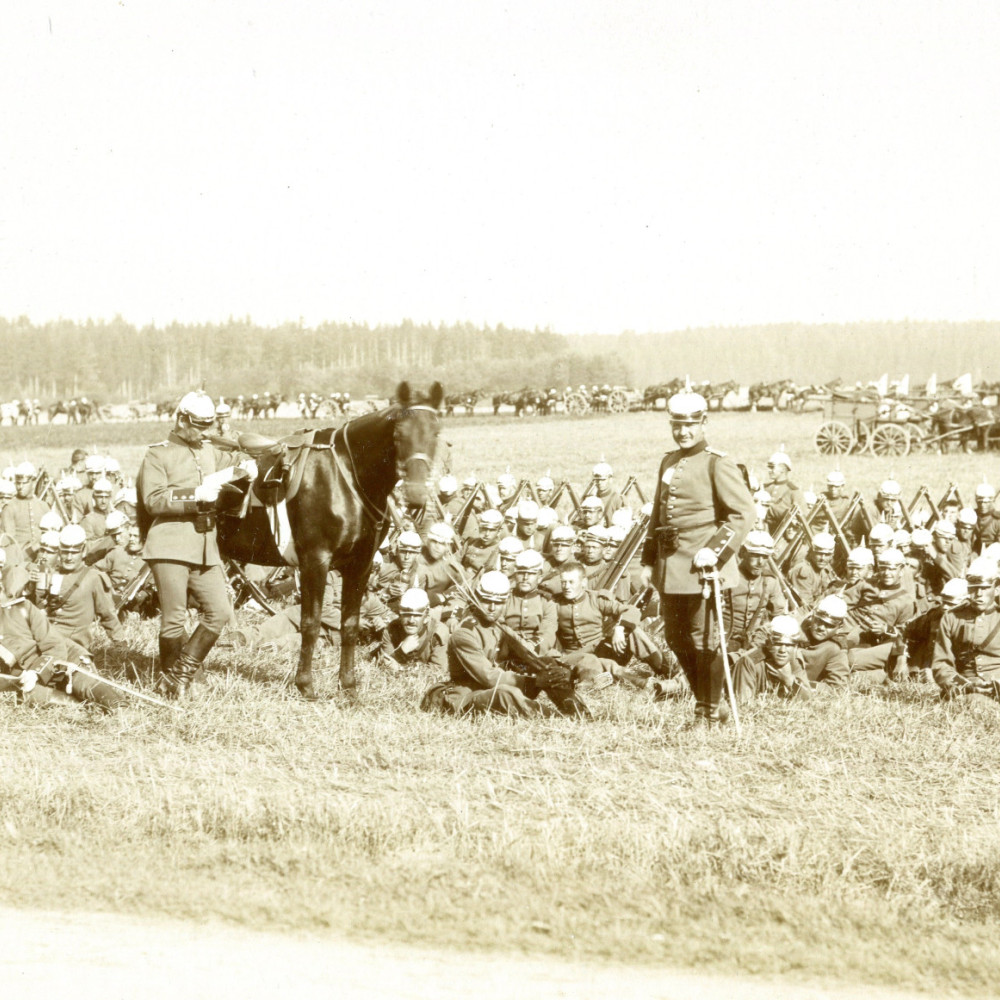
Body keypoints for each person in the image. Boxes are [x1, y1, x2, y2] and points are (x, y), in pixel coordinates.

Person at [640, 390, 757, 723]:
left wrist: (715, 551)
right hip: (670, 567)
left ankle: (705, 711)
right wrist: (648, 561)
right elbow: (658, 516)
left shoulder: (718, 462)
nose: (683, 431)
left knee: (704, 639)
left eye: (690, 424)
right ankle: (709, 700)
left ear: (704, 422)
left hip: (704, 567)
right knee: (674, 637)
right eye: (677, 424)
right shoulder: (668, 461)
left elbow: (743, 513)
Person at [136, 389, 243, 698]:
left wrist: (246, 465)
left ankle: (181, 673)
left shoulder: (207, 449)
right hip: (169, 544)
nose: (202, 431)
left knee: (219, 612)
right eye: (197, 425)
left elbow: (233, 459)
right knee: (174, 618)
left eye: (207, 425)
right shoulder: (158, 453)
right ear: (181, 419)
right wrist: (193, 495)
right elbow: (153, 500)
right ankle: (171, 683)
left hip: (205, 546)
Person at [420, 571, 581, 718]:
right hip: (467, 697)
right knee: (506, 693)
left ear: (505, 603)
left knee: (547, 666)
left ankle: (578, 713)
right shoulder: (464, 633)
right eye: (486, 601)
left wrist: (553, 671)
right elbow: (489, 678)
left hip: (491, 690)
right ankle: (557, 719)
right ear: (476, 600)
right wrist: (536, 681)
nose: (492, 608)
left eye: (498, 603)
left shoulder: (500, 628)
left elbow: (529, 654)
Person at [29, 524, 125, 654]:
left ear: (83, 551)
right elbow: (37, 609)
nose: (69, 558)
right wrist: (32, 586)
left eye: (74, 553)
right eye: (65, 552)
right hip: (45, 640)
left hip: (73, 647)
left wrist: (120, 645)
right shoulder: (51, 574)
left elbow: (108, 615)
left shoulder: (93, 578)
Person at [932, 557, 1000, 704]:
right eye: (973, 588)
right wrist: (967, 686)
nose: (979, 594)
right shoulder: (952, 617)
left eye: (985, 588)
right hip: (968, 689)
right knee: (976, 704)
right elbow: (941, 664)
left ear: (997, 588)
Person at [725, 530, 786, 655]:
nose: (760, 562)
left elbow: (778, 616)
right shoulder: (727, 577)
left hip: (754, 643)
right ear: (743, 552)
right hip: (724, 641)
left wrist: (762, 637)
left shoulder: (770, 581)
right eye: (755, 555)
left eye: (765, 557)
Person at [731, 615, 813, 704]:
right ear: (768, 644)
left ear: (795, 647)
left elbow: (808, 699)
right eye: (777, 644)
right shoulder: (750, 662)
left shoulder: (794, 660)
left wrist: (789, 680)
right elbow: (743, 704)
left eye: (789, 645)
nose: (783, 650)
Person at [377, 588, 449, 674]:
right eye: (406, 615)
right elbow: (384, 666)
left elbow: (438, 671)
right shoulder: (391, 630)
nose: (411, 620)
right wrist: (401, 652)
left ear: (426, 617)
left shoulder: (438, 633)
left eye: (417, 616)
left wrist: (402, 669)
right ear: (400, 616)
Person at [0, 462, 50, 549]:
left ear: (33, 482)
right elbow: (9, 541)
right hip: (19, 557)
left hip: (43, 553)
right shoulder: (9, 508)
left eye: (24, 483)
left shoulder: (44, 506)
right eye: (18, 483)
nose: (20, 487)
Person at [787, 532, 840, 607]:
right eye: (819, 554)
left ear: (832, 555)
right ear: (811, 553)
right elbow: (806, 606)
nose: (823, 558)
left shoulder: (824, 568)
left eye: (827, 555)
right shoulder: (803, 570)